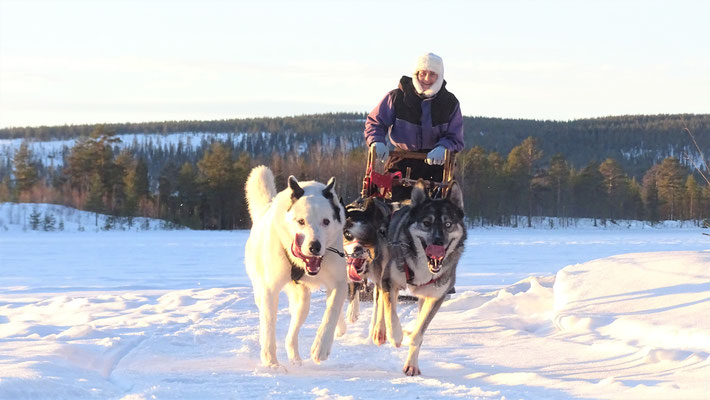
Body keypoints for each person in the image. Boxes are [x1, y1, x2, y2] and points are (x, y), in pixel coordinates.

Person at [363, 52, 464, 200]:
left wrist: (443, 148)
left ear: (440, 76)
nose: (427, 79)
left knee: (443, 212)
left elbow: (455, 137)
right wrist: (376, 141)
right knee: (391, 209)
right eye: (423, 73)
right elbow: (375, 122)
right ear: (416, 74)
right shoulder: (397, 97)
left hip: (437, 166)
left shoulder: (450, 103)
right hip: (401, 162)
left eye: (432, 74)